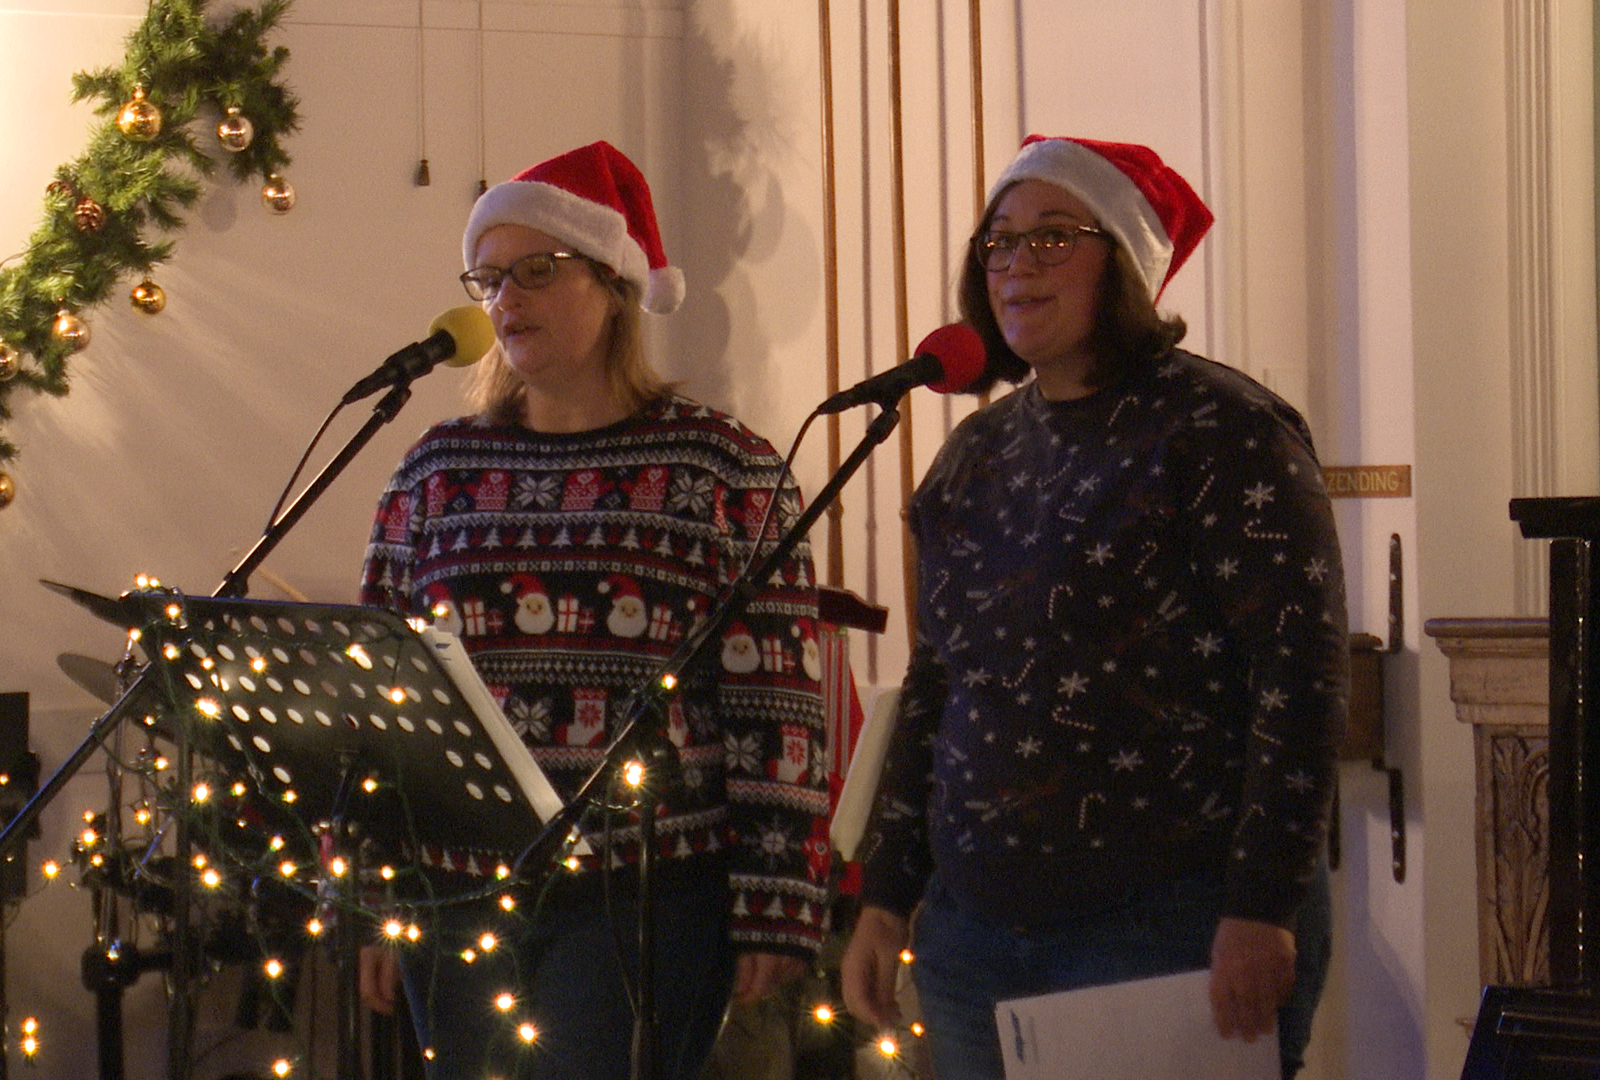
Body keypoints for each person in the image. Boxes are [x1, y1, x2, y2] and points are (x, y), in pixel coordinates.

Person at [839, 135, 1346, 1080]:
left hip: (1168, 922)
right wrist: (885, 895)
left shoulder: (1225, 430)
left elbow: (1301, 680)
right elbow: (939, 687)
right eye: (997, 243)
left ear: (1124, 263)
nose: (1015, 266)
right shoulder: (974, 455)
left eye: (1053, 239)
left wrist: (1262, 905)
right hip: (973, 933)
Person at [355, 140, 828, 1080]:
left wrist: (775, 898)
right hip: (454, 893)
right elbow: (384, 700)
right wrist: (374, 895)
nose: (506, 300)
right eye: (489, 278)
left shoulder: (722, 468)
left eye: (538, 271)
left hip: (641, 897)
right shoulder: (435, 470)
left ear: (614, 284)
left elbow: (778, 703)